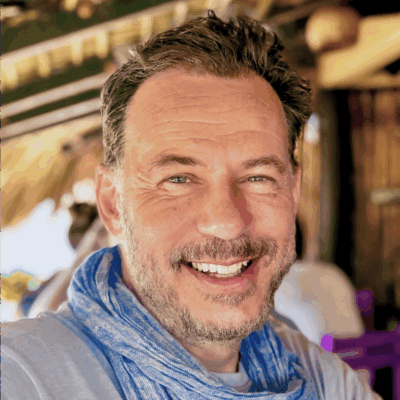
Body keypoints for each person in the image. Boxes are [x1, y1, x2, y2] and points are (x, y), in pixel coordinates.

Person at [2, 11, 382, 400]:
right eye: (179, 180)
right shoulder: (24, 375)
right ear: (112, 204)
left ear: (294, 191)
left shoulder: (313, 375)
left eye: (258, 178)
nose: (227, 222)